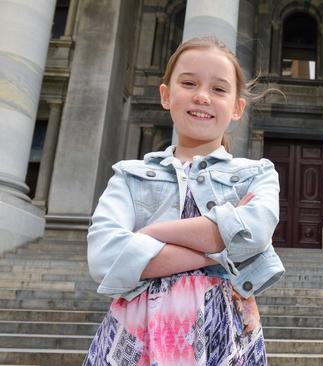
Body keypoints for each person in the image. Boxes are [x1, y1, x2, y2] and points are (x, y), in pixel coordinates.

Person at [84, 37, 284, 365]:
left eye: (219, 89)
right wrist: (218, 254)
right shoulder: (129, 175)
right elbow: (105, 256)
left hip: (226, 337)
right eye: (189, 83)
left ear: (237, 107)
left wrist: (150, 234)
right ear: (166, 95)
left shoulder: (257, 174)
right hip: (137, 337)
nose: (202, 96)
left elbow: (253, 234)